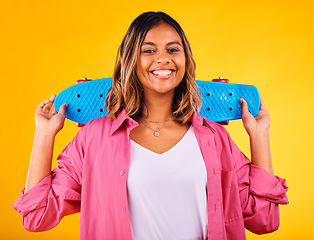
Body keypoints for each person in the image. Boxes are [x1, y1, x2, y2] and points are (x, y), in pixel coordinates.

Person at [13, 11, 288, 240]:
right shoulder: (95, 138)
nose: (163, 58)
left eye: (173, 49)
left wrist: (259, 134)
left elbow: (265, 220)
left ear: (185, 60)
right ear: (130, 61)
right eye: (148, 50)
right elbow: (37, 217)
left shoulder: (214, 138)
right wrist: (45, 134)